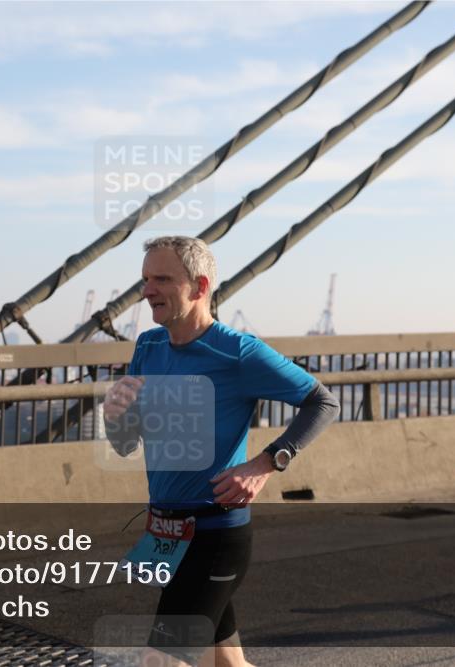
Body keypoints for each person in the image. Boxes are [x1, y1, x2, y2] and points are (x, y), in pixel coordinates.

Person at [104, 236, 340, 667]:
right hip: (168, 537)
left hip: (215, 535)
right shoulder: (148, 348)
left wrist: (266, 463)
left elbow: (322, 402)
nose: (147, 290)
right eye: (144, 279)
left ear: (199, 286)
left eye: (161, 279)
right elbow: (126, 445)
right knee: (227, 664)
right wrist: (114, 417)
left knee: (159, 660)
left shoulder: (237, 353)